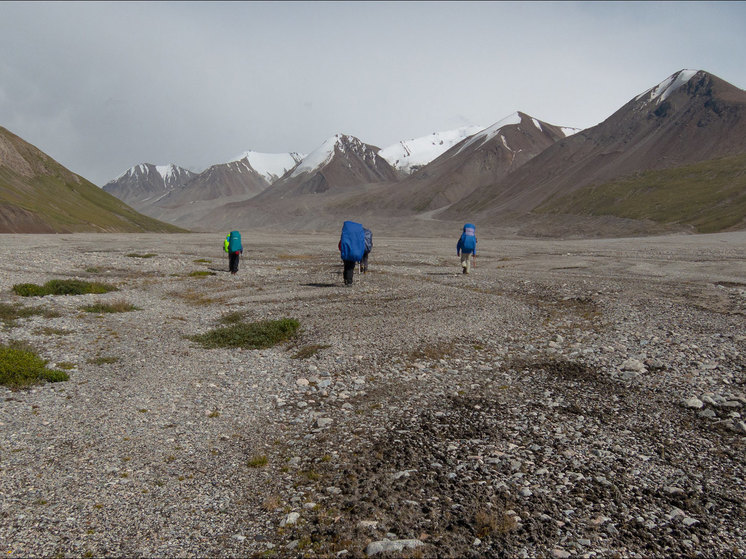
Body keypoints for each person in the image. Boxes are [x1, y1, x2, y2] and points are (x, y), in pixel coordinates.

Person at [338, 221, 365, 286]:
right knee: (351, 268)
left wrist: (342, 250)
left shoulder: (345, 239)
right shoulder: (356, 240)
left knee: (346, 267)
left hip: (346, 253)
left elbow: (340, 246)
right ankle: (349, 281)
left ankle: (347, 281)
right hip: (354, 254)